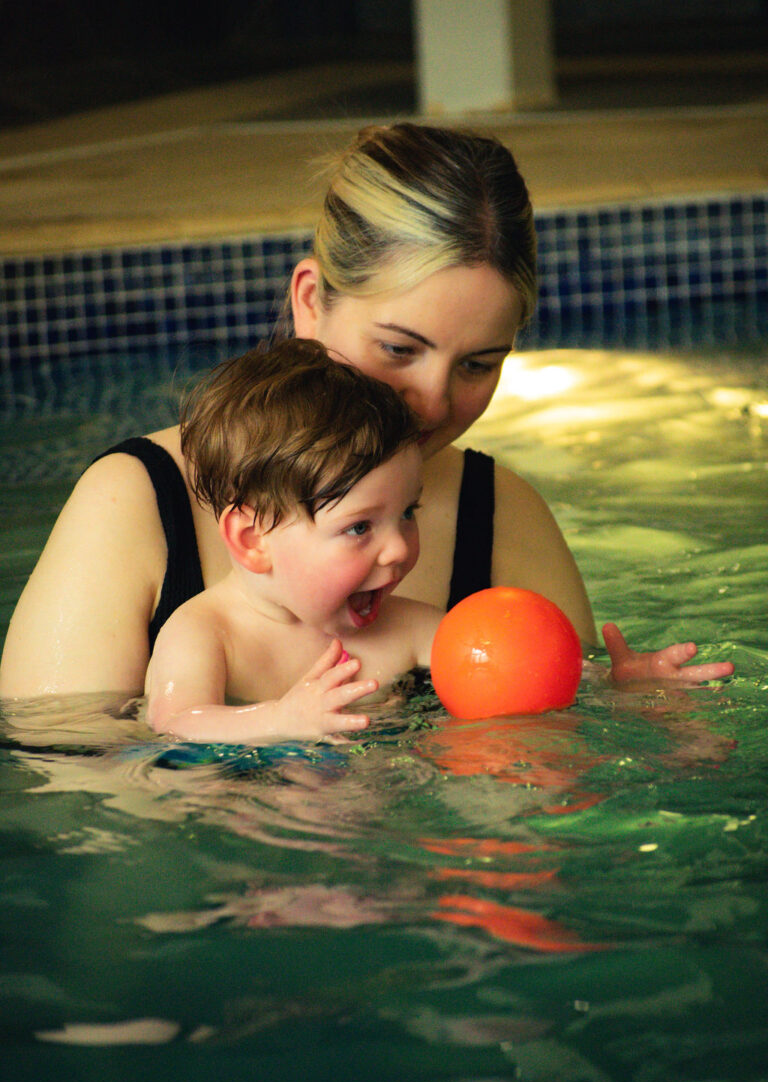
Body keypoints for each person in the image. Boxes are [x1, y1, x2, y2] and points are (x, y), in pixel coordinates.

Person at [0, 123, 733, 699]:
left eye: (479, 364)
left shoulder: (500, 515)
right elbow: (66, 789)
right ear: (311, 302)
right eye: (398, 347)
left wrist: (635, 708)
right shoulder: (137, 501)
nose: (432, 401)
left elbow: (558, 750)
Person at [145, 338, 442, 742]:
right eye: (359, 527)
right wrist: (279, 721)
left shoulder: (410, 629)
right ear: (253, 540)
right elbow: (175, 722)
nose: (400, 548)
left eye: (408, 512)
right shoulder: (206, 635)